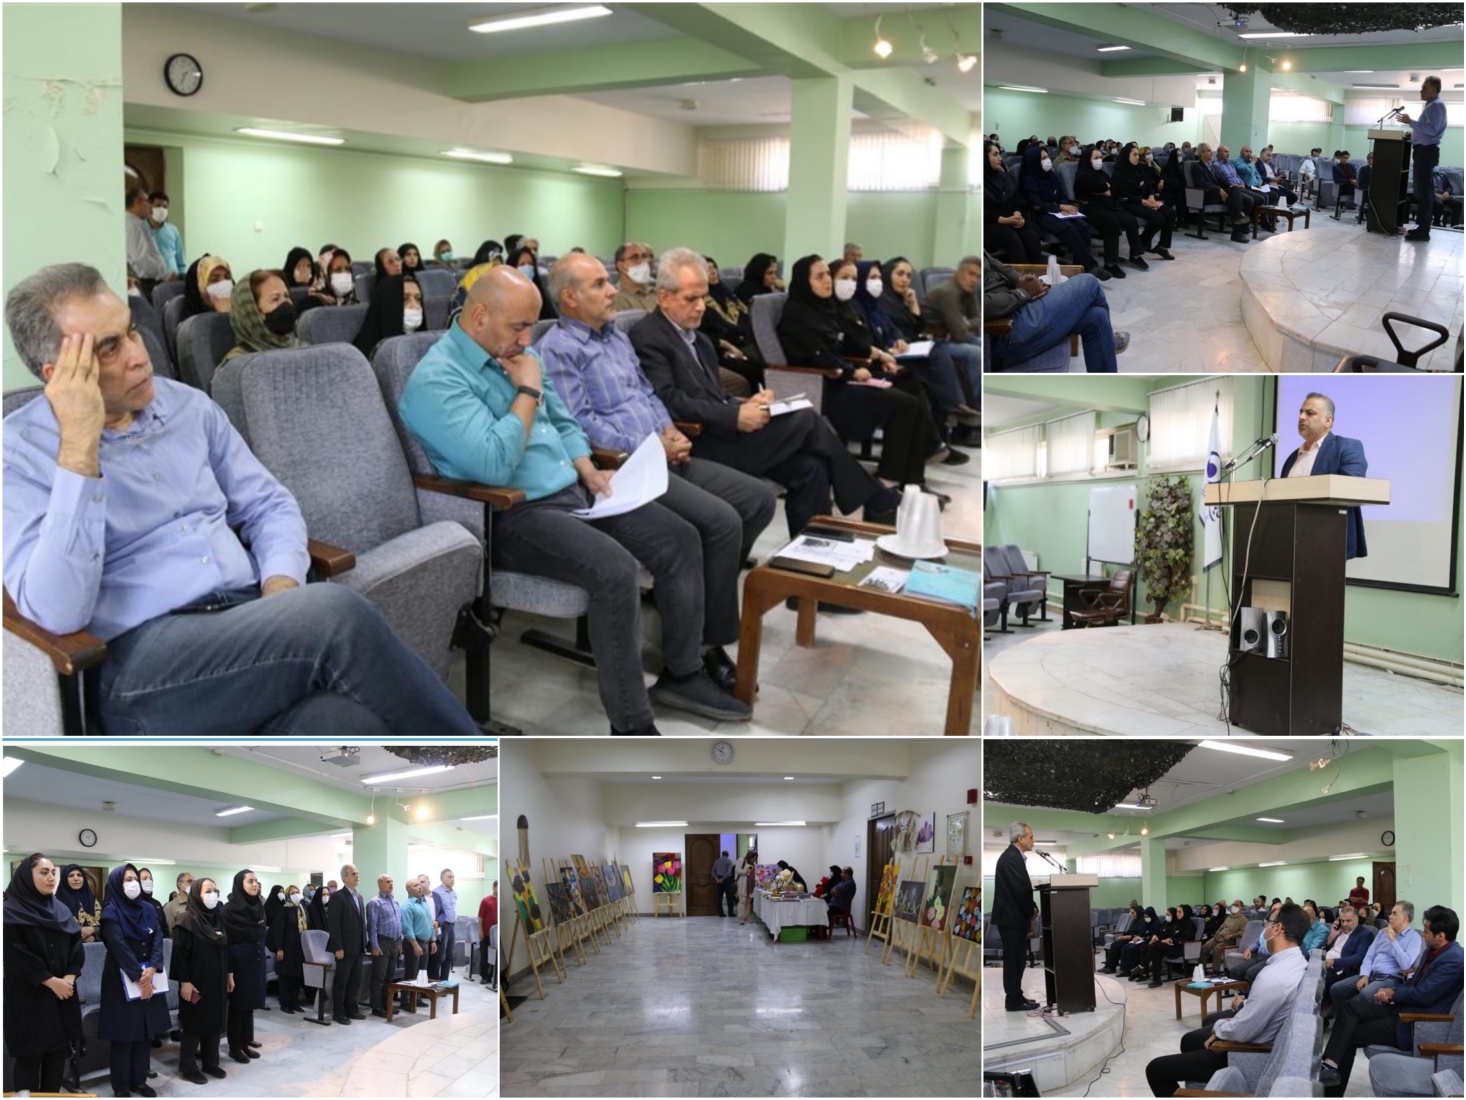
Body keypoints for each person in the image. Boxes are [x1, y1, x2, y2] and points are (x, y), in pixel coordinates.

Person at [3, 264, 485, 735]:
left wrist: (281, 589)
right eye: (109, 348)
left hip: (246, 618)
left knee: (345, 722)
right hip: (143, 666)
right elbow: (57, 611)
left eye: (132, 332)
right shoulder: (18, 453)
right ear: (59, 375)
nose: (138, 355)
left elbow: (268, 505)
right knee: (338, 616)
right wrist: (79, 449)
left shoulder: (187, 406)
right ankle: (490, 766)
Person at [400, 265, 753, 735]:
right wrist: (527, 390)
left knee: (679, 537)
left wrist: (586, 467)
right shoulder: (438, 379)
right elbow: (493, 465)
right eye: (519, 327)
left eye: (531, 326)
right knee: (614, 569)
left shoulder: (515, 350)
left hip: (573, 490)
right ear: (479, 316)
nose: (528, 339)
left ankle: (683, 673)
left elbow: (563, 421)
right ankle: (632, 727)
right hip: (511, 511)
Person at [538, 252, 776, 691]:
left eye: (608, 282)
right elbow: (580, 423)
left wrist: (670, 430)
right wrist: (650, 446)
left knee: (758, 500)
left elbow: (647, 393)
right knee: (721, 522)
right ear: (569, 298)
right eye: (599, 284)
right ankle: (704, 645)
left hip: (662, 452)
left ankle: (700, 609)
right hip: (625, 467)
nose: (613, 290)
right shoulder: (559, 349)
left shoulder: (614, 337)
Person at [631, 257, 903, 536]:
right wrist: (735, 415)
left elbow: (712, 393)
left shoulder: (698, 338)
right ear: (664, 297)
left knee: (811, 467)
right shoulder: (648, 336)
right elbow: (668, 400)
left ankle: (816, 547)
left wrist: (746, 403)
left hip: (723, 429)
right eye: (691, 298)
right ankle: (875, 498)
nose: (701, 306)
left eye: (703, 297)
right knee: (807, 419)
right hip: (699, 441)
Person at [777, 255, 945, 491]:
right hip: (825, 387)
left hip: (843, 378)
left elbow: (848, 343)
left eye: (827, 274)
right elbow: (819, 356)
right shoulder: (797, 315)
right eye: (819, 276)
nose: (827, 280)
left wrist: (876, 357)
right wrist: (852, 371)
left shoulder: (826, 309)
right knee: (907, 406)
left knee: (911, 388)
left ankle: (914, 481)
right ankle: (888, 480)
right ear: (805, 282)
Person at [1145, 902, 1309, 1097]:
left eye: (1268, 922)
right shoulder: (1298, 962)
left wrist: (1221, 1026)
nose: (1265, 927)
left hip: (1244, 1053)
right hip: (1255, 1036)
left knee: (1155, 1069)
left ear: (1278, 928)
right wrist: (1240, 1014)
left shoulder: (1272, 977)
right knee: (1189, 1040)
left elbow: (1243, 1030)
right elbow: (1259, 1013)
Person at [1319, 905, 1461, 1095]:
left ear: (1441, 936)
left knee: (1350, 1034)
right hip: (1403, 1008)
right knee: (1350, 1007)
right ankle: (1329, 1063)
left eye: (1426, 931)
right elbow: (1412, 984)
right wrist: (1391, 992)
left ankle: (1330, 1088)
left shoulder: (1453, 961)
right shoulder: (1432, 951)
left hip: (1416, 1022)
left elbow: (1423, 995)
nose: (1422, 934)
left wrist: (1393, 994)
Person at [852, 259, 971, 463]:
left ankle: (944, 438)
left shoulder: (884, 303)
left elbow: (900, 330)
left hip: (897, 354)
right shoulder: (873, 303)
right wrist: (889, 348)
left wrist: (913, 308)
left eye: (908, 275)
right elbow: (868, 340)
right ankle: (946, 424)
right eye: (899, 274)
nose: (905, 279)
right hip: (879, 362)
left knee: (949, 370)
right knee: (929, 372)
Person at [4, 853, 85, 1094]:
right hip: (29, 997)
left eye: (53, 872)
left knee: (57, 1056)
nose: (51, 877)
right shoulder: (8, 911)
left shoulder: (60, 909)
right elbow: (15, 954)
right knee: (29, 1058)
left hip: (62, 996)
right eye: (43, 872)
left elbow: (76, 945)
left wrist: (69, 977)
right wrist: (50, 981)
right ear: (26, 876)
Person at [984, 250, 1127, 372]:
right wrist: (1022, 293)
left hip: (1015, 307)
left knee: (1096, 317)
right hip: (1002, 330)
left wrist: (1018, 279)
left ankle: (1102, 393)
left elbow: (991, 261)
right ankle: (1111, 342)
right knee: (1089, 282)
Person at [98, 863, 170, 1097]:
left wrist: (153, 967)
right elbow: (118, 947)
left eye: (135, 879)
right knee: (124, 1035)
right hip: (121, 980)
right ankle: (121, 1086)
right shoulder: (110, 912)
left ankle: (139, 1081)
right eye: (127, 879)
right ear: (116, 884)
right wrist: (140, 977)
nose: (133, 883)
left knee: (144, 1033)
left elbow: (158, 937)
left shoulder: (147, 908)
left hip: (149, 975)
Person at [1281, 392, 1368, 559]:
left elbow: (1351, 488)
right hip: (1291, 540)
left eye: (1310, 413)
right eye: (1300, 412)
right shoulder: (1293, 457)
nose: (1301, 417)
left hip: (1328, 538)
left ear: (1328, 421)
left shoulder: (1347, 447)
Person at [170, 875, 230, 1086]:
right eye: (208, 891)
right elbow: (179, 956)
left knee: (214, 1022)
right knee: (194, 1024)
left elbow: (226, 949)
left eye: (215, 891)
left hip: (216, 980)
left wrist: (229, 974)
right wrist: (184, 982)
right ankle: (187, 1067)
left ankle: (210, 1063)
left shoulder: (217, 918)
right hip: (194, 982)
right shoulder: (186, 920)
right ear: (196, 894)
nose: (213, 895)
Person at [1019, 144, 1106, 279]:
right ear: (1034, 161)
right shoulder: (1028, 179)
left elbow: (1062, 196)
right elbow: (1037, 203)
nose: (1047, 160)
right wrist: (1059, 207)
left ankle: (1080, 267)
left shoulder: (1051, 175)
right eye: (1043, 158)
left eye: (1047, 156)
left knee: (1083, 227)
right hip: (1041, 214)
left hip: (1058, 211)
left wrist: (1065, 206)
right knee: (1070, 229)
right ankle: (1091, 266)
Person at [1328, 900, 1422, 1012]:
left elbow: (1405, 965)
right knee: (1336, 989)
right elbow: (1369, 956)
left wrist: (1393, 940)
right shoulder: (1382, 933)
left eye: (1394, 914)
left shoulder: (1414, 937)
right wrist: (1364, 976)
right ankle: (1346, 1019)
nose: (1390, 917)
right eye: (1391, 913)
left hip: (1390, 978)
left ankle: (1356, 1020)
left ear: (1405, 918)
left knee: (1365, 994)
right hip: (1371, 974)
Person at [1075, 143, 1144, 279]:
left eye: (1100, 157)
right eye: (1096, 158)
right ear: (1088, 159)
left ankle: (1136, 255)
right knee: (1111, 222)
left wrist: (1105, 189)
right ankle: (1110, 264)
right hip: (1091, 208)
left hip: (1108, 206)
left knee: (1129, 219)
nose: (1099, 160)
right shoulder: (1082, 174)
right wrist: (1104, 188)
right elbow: (1097, 187)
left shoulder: (1101, 173)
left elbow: (1115, 188)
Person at [219, 869, 266, 1065]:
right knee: (238, 1006)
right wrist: (229, 971)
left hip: (256, 958)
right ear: (240, 884)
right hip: (239, 961)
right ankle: (235, 1047)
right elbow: (226, 943)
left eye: (256, 881)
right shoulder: (229, 910)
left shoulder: (258, 905)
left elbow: (261, 931)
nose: (255, 884)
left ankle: (246, 1042)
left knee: (250, 1005)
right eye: (250, 881)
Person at [992, 822, 1039, 1011]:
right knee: (1014, 961)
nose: (1033, 840)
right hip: (1011, 918)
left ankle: (1016, 996)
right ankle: (1013, 1000)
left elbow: (1021, 888)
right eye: (1031, 836)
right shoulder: (1012, 858)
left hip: (1012, 916)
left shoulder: (1013, 856)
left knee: (1017, 960)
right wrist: (1031, 910)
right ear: (1021, 838)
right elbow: (1020, 890)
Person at [699, 257, 763, 392]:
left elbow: (745, 316)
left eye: (714, 267)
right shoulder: (700, 302)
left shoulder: (725, 292)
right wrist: (726, 345)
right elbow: (703, 334)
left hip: (743, 341)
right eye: (707, 269)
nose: (713, 272)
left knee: (765, 364)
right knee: (754, 370)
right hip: (721, 350)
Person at [1396, 75, 1448, 240]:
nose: (1421, 90)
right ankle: (1421, 228)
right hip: (1423, 151)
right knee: (1422, 192)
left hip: (1426, 153)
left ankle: (1423, 232)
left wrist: (1410, 122)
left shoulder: (1436, 106)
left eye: (1424, 87)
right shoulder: (1432, 105)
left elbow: (1432, 130)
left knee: (1424, 193)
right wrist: (1414, 134)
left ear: (1434, 90)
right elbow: (1427, 129)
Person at [1112, 142, 1176, 261]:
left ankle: (1162, 247)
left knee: (1170, 213)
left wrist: (1151, 196)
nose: (1138, 157)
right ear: (1126, 156)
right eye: (1134, 155)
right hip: (1130, 203)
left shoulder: (1138, 169)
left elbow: (1148, 185)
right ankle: (1140, 244)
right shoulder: (1119, 172)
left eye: (1138, 154)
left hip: (1145, 200)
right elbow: (1122, 193)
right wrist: (1143, 201)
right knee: (1158, 218)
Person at [984, 142, 1044, 264]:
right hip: (989, 224)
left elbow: (1017, 198)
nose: (1000, 158)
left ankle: (1037, 272)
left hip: (1010, 220)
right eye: (995, 155)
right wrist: (1005, 220)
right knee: (1011, 237)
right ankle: (1024, 275)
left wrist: (1017, 214)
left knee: (1032, 235)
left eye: (999, 154)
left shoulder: (1002, 176)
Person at [326, 864, 366, 1024]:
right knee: (341, 982)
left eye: (357, 873)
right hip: (344, 948)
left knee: (355, 981)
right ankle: (338, 1012)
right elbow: (334, 924)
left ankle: (351, 1009)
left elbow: (361, 923)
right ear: (344, 878)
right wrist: (338, 947)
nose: (357, 875)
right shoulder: (338, 897)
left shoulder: (359, 896)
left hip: (358, 946)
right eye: (353, 873)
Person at [352, 272, 425, 359]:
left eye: (418, 299)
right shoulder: (364, 352)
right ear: (388, 303)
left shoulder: (426, 344)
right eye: (405, 299)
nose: (415, 305)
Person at [1191, 144, 1254, 243]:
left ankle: (1238, 225)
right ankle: (1237, 226)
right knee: (1235, 198)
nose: (1212, 153)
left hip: (1220, 194)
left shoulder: (1213, 167)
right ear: (1201, 153)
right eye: (1208, 151)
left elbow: (1222, 181)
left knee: (1245, 199)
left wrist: (1232, 185)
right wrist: (1218, 189)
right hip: (1208, 195)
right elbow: (1201, 183)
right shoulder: (1197, 167)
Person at [266, 883, 309, 1014]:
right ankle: (284, 1003)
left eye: (297, 892)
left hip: (300, 948)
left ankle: (294, 1003)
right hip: (286, 948)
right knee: (285, 977)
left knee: (297, 977)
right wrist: (279, 948)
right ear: (287, 896)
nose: (296, 895)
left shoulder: (302, 909)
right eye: (292, 893)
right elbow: (279, 931)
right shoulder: (283, 910)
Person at [365, 873, 402, 1018]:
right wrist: (374, 946)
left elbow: (399, 923)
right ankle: (376, 1007)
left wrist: (399, 943)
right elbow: (372, 926)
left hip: (394, 942)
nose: (391, 884)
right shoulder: (375, 903)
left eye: (392, 881)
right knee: (379, 977)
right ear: (380, 884)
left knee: (389, 977)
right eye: (387, 882)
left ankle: (386, 1004)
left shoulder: (395, 902)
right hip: (382, 943)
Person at [1323, 903, 1375, 1005]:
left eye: (1348, 921)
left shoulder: (1364, 934)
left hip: (1341, 968)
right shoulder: (1339, 931)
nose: (1344, 924)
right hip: (1326, 961)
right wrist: (1332, 936)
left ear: (1356, 919)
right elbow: (1327, 948)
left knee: (1320, 979)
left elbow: (1359, 957)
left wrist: (1334, 962)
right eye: (1342, 921)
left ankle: (1319, 1008)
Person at [124, 188, 168, 295]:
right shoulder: (133, 227)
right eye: (147, 202)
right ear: (137, 202)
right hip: (146, 283)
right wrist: (162, 273)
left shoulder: (136, 224)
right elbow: (140, 259)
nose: (150, 207)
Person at [1140, 904, 1197, 986]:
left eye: (1180, 912)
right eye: (1177, 912)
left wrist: (1171, 940)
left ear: (1185, 912)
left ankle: (1142, 965)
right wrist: (1168, 939)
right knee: (1157, 954)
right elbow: (1171, 934)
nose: (1177, 914)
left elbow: (1186, 938)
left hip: (1182, 948)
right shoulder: (1178, 923)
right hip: (1172, 946)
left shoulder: (1189, 924)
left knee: (1156, 946)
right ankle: (1157, 980)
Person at [400, 879, 434, 1010]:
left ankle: (417, 998)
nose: (419, 887)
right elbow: (407, 928)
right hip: (413, 943)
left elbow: (430, 923)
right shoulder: (407, 906)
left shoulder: (424, 904)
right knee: (411, 973)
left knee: (421, 973)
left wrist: (433, 940)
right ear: (408, 890)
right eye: (415, 885)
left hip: (425, 942)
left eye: (420, 885)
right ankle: (405, 1001)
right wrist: (415, 945)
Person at [507, 244, 556, 320]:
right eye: (522, 264)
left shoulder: (539, 292)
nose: (527, 267)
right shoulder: (506, 296)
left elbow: (551, 318)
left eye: (530, 264)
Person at [55, 863, 101, 943]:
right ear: (64, 879)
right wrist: (79, 937)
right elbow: (53, 931)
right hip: (67, 948)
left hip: (94, 947)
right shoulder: (56, 903)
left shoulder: (93, 901)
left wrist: (92, 930)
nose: (76, 878)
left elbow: (106, 928)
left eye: (79, 875)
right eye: (71, 876)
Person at [181, 255, 235, 320]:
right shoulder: (192, 323)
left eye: (227, 277)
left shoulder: (241, 310)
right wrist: (224, 315)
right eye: (214, 279)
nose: (224, 284)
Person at [1201, 900, 1249, 974]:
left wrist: (1231, 935)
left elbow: (1243, 932)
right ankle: (1202, 970)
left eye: (1236, 905)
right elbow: (1220, 928)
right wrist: (1213, 938)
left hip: (1230, 940)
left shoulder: (1244, 920)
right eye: (1233, 905)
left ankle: (1215, 971)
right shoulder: (1229, 917)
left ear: (1241, 907)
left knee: (1217, 949)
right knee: (1203, 948)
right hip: (1219, 938)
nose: (1234, 906)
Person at [612, 241, 658, 312]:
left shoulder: (657, 292)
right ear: (621, 266)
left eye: (644, 257)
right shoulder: (616, 298)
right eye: (634, 257)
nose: (642, 261)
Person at [148, 193, 185, 279]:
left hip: (173, 278)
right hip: (149, 279)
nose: (161, 209)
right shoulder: (140, 229)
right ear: (149, 207)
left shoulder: (172, 230)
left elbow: (180, 259)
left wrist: (182, 276)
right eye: (158, 205)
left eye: (165, 207)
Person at [431, 869, 457, 981]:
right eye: (449, 877)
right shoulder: (436, 893)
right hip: (443, 926)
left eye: (453, 877)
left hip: (452, 926)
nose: (452, 879)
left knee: (450, 955)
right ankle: (436, 981)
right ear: (442, 878)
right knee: (440, 956)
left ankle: (445, 981)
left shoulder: (453, 892)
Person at [478, 882, 498, 987]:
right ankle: (484, 976)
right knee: (485, 956)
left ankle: (493, 976)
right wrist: (480, 931)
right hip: (486, 933)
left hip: (497, 935)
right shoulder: (486, 901)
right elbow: (480, 917)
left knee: (496, 957)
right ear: (493, 887)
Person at [136, 867, 167, 932]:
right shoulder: (135, 903)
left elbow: (164, 928)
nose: (149, 881)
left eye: (150, 878)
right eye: (145, 878)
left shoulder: (157, 904)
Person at [711, 851, 737, 918]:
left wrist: (716, 878)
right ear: (728, 855)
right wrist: (723, 878)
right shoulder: (729, 861)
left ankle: (721, 913)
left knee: (719, 897)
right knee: (729, 897)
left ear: (722, 855)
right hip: (726, 879)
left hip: (718, 879)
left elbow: (712, 871)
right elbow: (729, 872)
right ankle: (730, 913)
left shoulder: (717, 861)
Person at [737, 850, 759, 926]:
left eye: (755, 858)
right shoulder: (742, 860)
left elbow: (753, 876)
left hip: (750, 885)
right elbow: (737, 870)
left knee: (748, 901)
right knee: (742, 901)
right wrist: (746, 871)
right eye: (753, 858)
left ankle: (746, 916)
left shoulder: (752, 864)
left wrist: (759, 882)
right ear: (750, 856)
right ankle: (741, 917)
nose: (754, 860)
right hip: (742, 884)